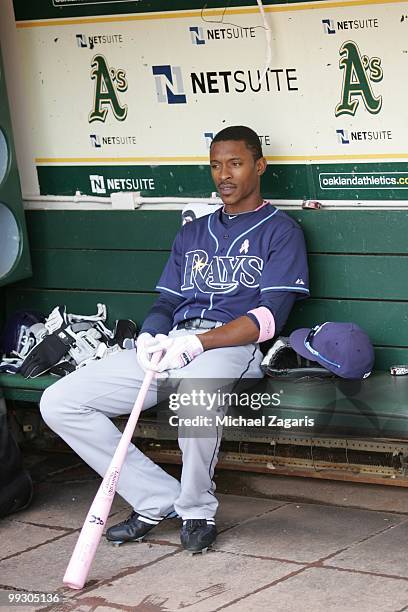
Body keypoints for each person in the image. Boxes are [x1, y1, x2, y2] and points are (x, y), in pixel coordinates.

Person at [40, 125, 309, 554]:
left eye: (236, 163)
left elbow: (267, 318)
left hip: (230, 347)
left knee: (194, 398)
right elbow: (166, 301)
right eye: (216, 165)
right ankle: (154, 496)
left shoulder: (281, 231)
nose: (224, 174)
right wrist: (149, 336)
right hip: (172, 343)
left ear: (259, 166)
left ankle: (197, 508)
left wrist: (200, 343)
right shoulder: (192, 233)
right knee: (60, 402)